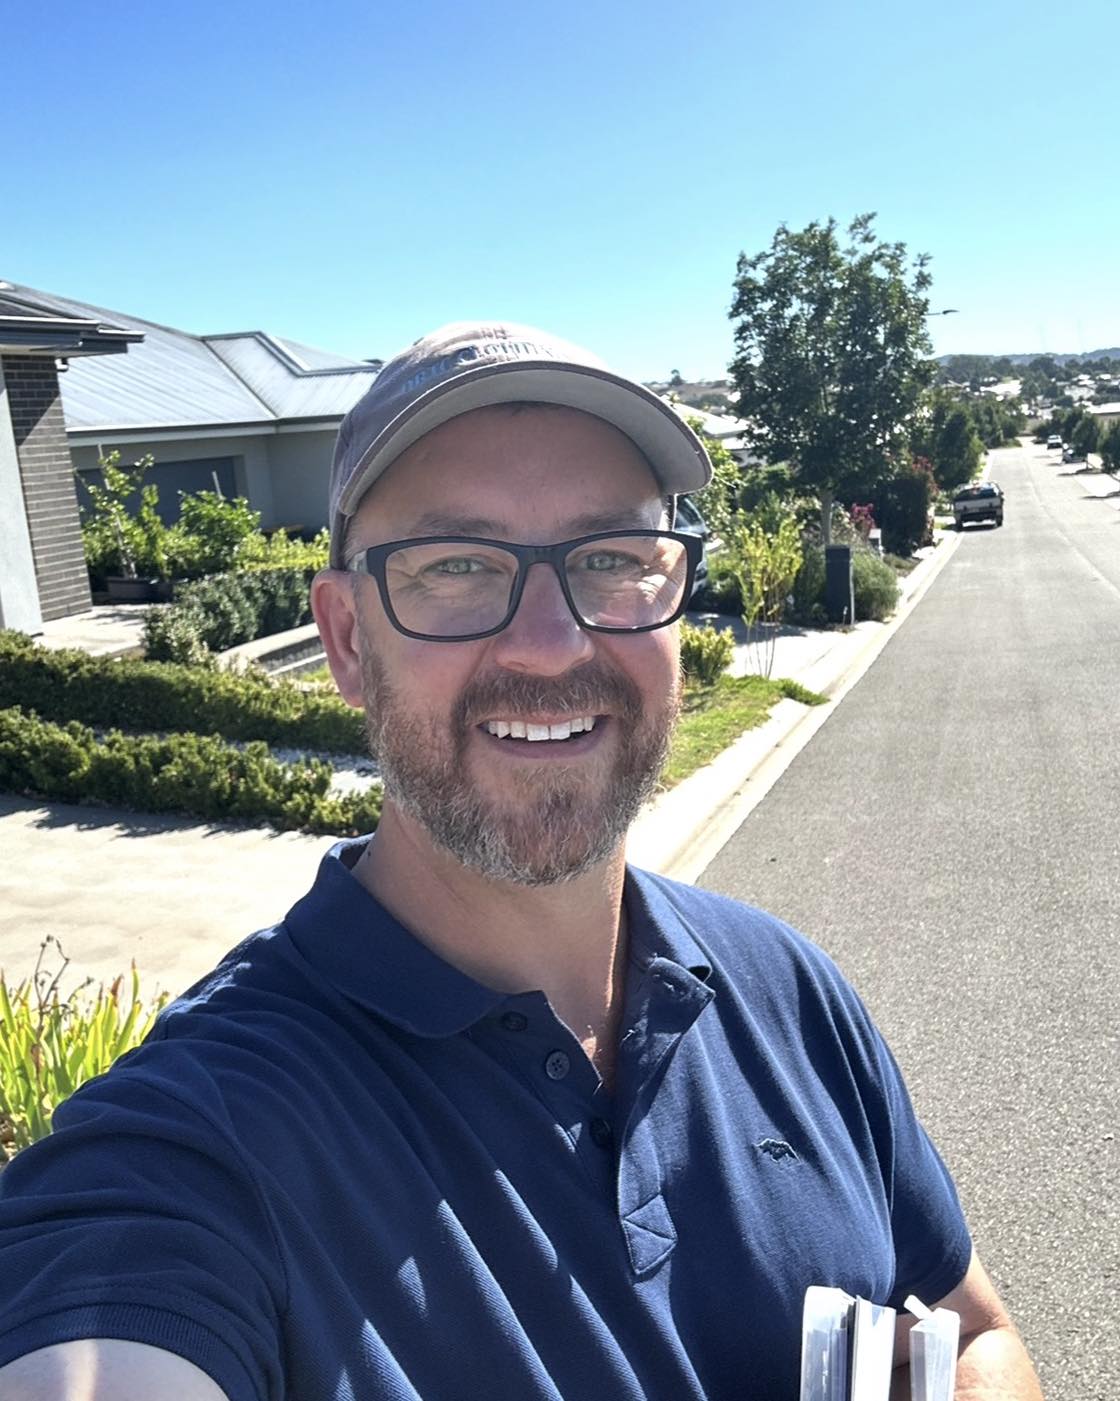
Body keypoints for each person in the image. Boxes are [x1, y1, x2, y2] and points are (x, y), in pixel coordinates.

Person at [0, 323, 1041, 1400]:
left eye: (609, 560)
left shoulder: (787, 989)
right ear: (349, 641)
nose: (550, 644)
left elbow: (970, 1331)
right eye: (455, 566)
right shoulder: (206, 1138)